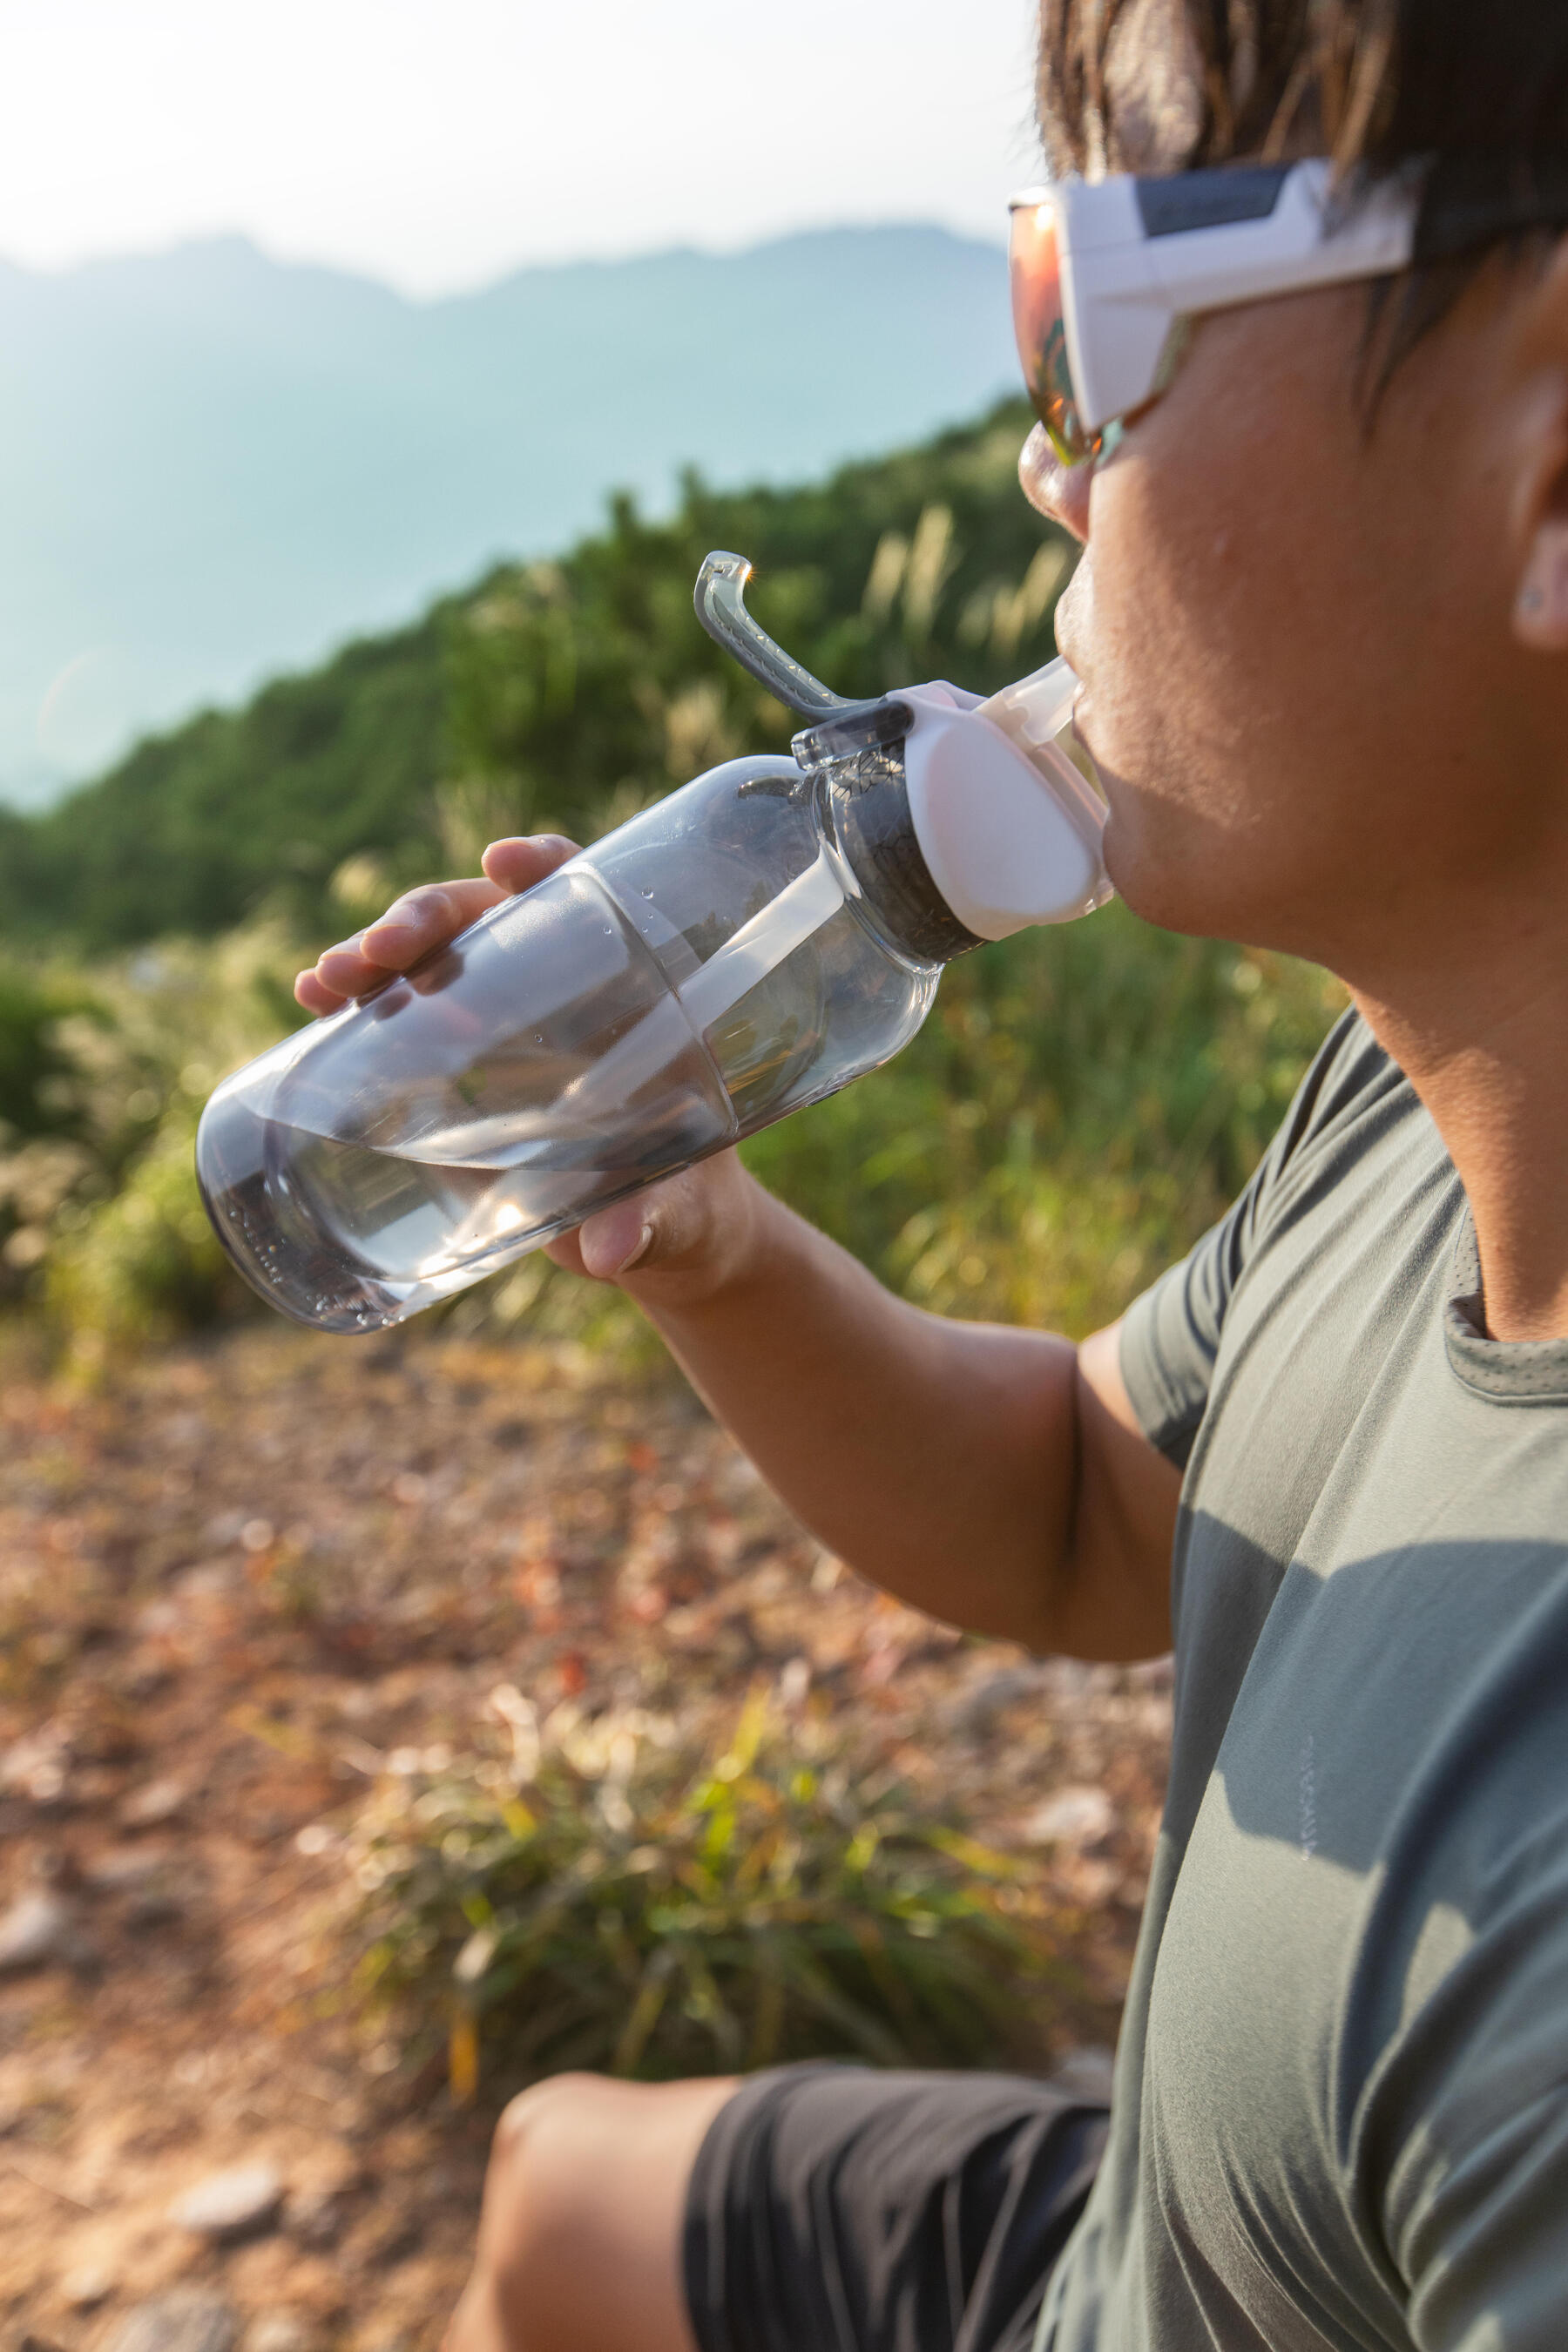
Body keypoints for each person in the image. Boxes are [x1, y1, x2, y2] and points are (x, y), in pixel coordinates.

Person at [296, 3, 1568, 2345]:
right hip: (1156, 2236)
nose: (1040, 470)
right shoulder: (1434, 1101)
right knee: (563, 2186)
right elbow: (1092, 1503)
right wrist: (712, 1241)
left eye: (1088, 319)